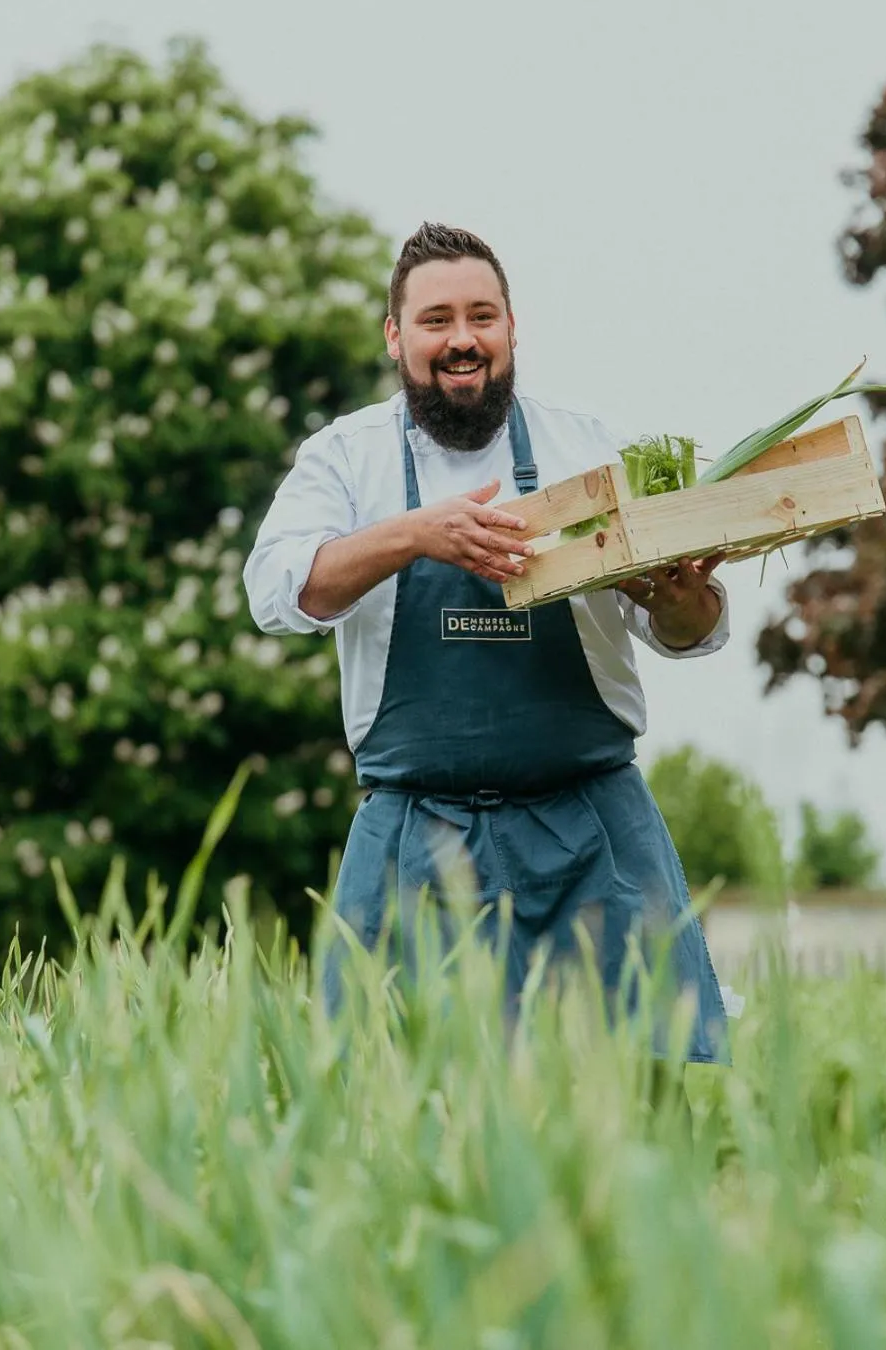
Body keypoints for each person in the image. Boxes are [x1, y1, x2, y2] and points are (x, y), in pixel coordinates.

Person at [244, 222, 731, 1066]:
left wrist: (687, 604)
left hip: (594, 837)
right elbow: (280, 591)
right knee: (393, 1104)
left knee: (645, 1102)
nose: (462, 339)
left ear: (511, 329)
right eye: (436, 320)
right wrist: (413, 536)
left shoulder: (591, 448)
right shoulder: (343, 459)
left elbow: (688, 632)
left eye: (482, 316)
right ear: (396, 336)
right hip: (415, 839)